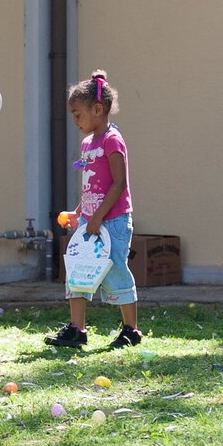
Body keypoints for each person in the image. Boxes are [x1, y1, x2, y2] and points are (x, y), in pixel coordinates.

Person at [45, 70, 142, 350]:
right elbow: (92, 187)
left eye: (78, 114)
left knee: (114, 272)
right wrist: (80, 213)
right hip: (90, 220)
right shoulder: (88, 143)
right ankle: (77, 329)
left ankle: (131, 330)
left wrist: (98, 217)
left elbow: (118, 184)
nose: (75, 121)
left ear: (97, 109)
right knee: (78, 270)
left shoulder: (113, 140)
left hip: (112, 221)